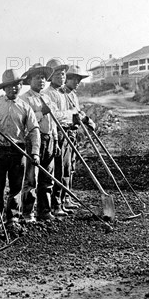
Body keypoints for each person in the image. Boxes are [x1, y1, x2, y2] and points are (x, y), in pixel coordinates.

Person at [0, 69, 40, 228]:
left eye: (17, 85)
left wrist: (35, 152)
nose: (14, 88)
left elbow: (34, 130)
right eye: (10, 86)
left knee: (16, 187)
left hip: (18, 151)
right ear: (4, 88)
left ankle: (13, 218)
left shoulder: (26, 107)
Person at [19, 63, 58, 222]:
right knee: (31, 178)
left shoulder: (48, 97)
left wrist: (55, 140)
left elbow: (53, 122)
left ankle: (45, 211)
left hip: (49, 139)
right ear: (30, 80)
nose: (41, 80)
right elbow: (26, 122)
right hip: (34, 141)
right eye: (37, 77)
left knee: (47, 177)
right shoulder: (24, 99)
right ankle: (28, 213)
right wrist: (42, 112)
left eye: (43, 77)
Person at [44, 58, 75, 216]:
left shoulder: (63, 93)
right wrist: (71, 115)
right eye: (57, 74)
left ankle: (62, 201)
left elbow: (68, 114)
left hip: (67, 132)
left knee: (66, 169)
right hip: (57, 134)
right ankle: (55, 205)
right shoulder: (48, 93)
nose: (61, 77)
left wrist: (73, 116)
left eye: (63, 74)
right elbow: (56, 116)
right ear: (50, 76)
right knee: (58, 170)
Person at [61, 65, 96, 194]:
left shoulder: (73, 95)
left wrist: (87, 120)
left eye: (79, 80)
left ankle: (68, 197)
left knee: (71, 166)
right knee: (65, 167)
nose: (77, 82)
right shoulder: (62, 94)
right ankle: (62, 199)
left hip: (74, 133)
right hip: (65, 133)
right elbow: (65, 115)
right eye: (74, 79)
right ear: (66, 79)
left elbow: (78, 112)